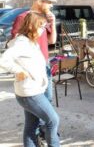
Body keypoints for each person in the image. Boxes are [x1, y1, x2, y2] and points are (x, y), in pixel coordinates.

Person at [0, 12, 60, 147]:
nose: (43, 30)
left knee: (31, 126)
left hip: (32, 91)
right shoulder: (22, 43)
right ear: (32, 26)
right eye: (42, 26)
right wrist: (18, 71)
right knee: (53, 120)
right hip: (29, 93)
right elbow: (3, 60)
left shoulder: (31, 42)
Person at [11, 0, 57, 102]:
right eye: (49, 3)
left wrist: (53, 22)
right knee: (35, 103)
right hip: (31, 68)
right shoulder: (22, 18)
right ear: (39, 1)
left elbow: (52, 41)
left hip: (45, 65)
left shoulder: (44, 19)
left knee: (48, 100)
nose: (51, 6)